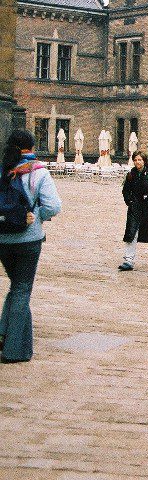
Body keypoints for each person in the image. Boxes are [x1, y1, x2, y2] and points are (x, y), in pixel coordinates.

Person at [0, 130, 61, 363]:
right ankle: (15, 350)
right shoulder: (38, 172)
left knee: (16, 286)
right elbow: (53, 206)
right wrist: (38, 217)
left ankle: (3, 333)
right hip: (28, 239)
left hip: (3, 238)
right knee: (22, 289)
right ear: (31, 147)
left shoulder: (3, 169)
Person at [119, 151, 148, 270]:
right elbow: (125, 190)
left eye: (139, 160)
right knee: (131, 233)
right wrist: (129, 201)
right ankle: (128, 260)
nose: (137, 162)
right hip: (135, 207)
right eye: (135, 160)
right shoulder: (131, 174)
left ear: (144, 161)